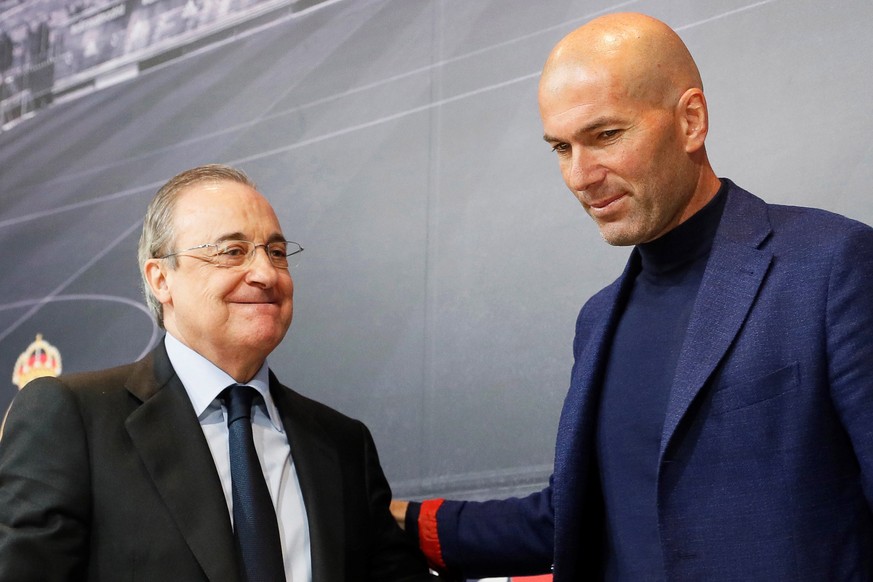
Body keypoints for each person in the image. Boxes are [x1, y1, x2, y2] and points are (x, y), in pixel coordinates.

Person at [395, 12, 873, 581]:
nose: (580, 175)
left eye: (605, 136)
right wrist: (389, 515)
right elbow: (570, 520)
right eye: (561, 148)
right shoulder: (596, 321)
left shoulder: (832, 265)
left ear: (690, 121)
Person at [0, 164, 437, 582]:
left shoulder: (343, 445)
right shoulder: (72, 418)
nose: (266, 273)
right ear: (160, 278)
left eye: (277, 252)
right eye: (232, 252)